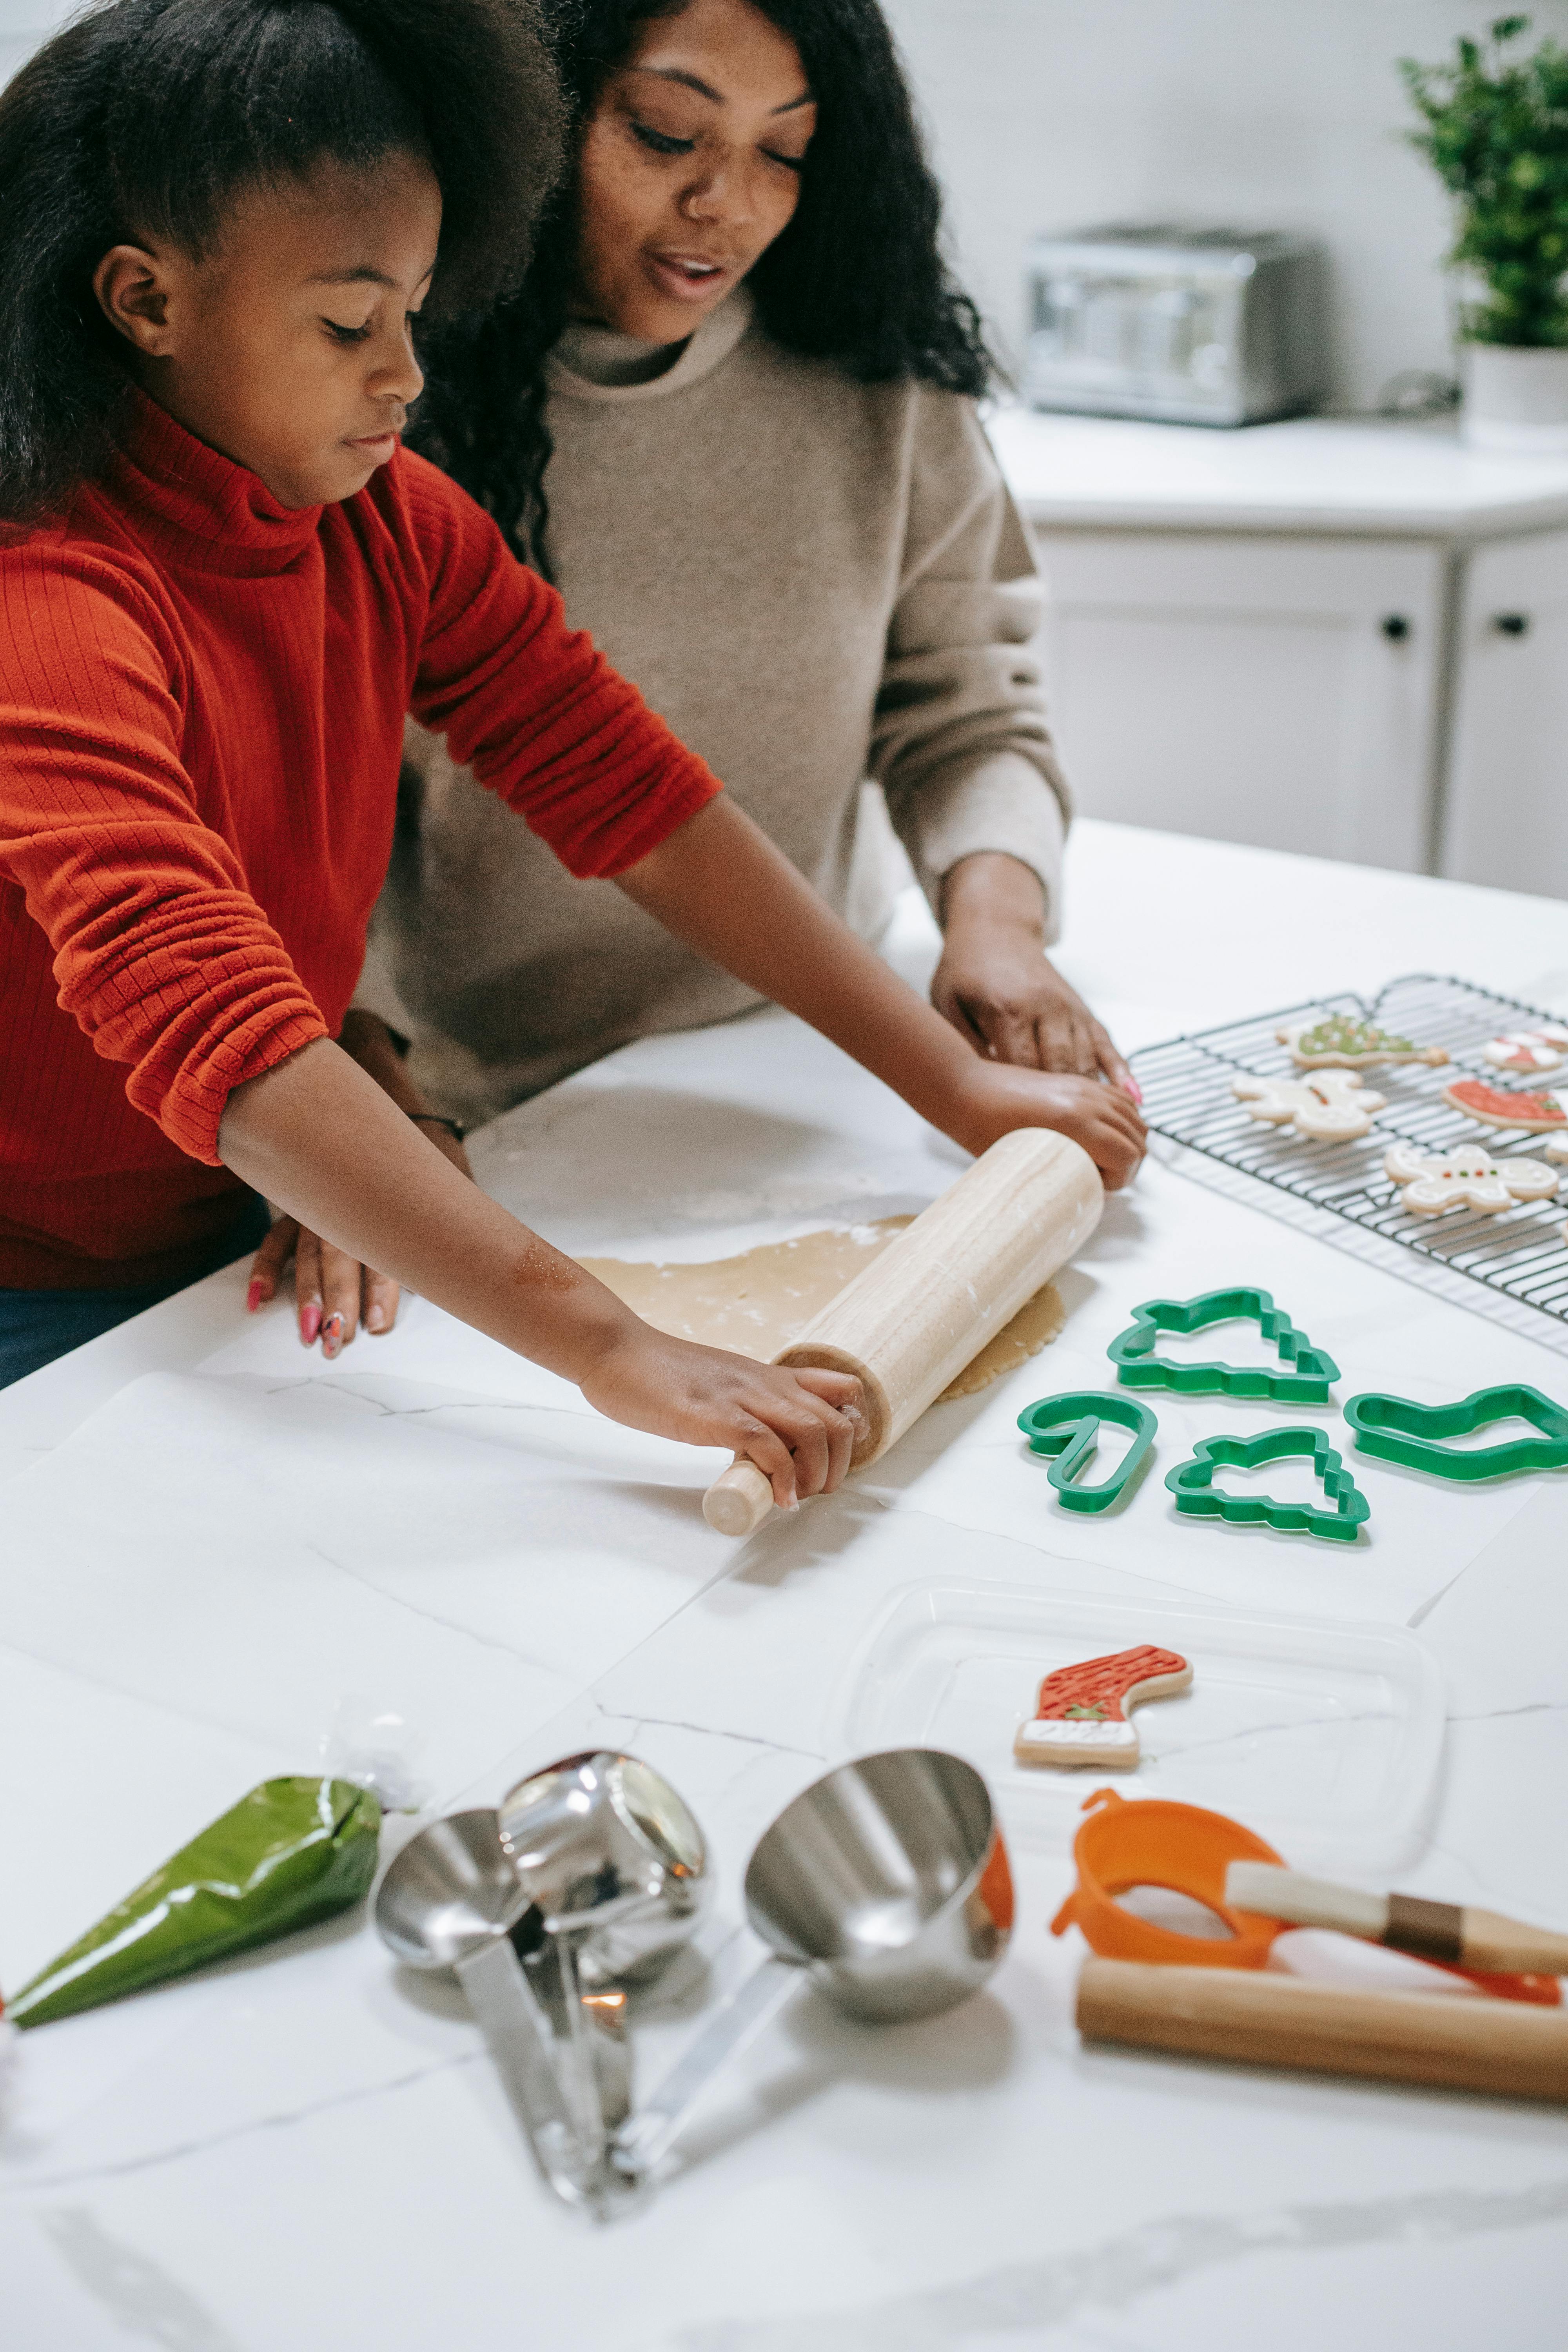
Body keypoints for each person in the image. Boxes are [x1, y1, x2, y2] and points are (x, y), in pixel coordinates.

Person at [0, 0, 1143, 1515]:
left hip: (252, 1219)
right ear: (145, 301)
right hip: (40, 1269)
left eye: (417, 309)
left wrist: (948, 1080)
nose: (405, 376)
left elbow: (637, 794)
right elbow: (205, 1005)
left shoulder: (389, 519)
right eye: (351, 324)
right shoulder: (46, 598)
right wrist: (609, 1347)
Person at [261, 0, 1140, 1348]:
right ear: (533, 120)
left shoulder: (879, 387)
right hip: (466, 1094)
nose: (725, 206)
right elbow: (290, 802)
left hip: (795, 1049)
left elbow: (965, 706)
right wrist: (363, 1078)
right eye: (666, 132)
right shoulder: (375, 400)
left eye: (784, 153)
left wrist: (995, 925)